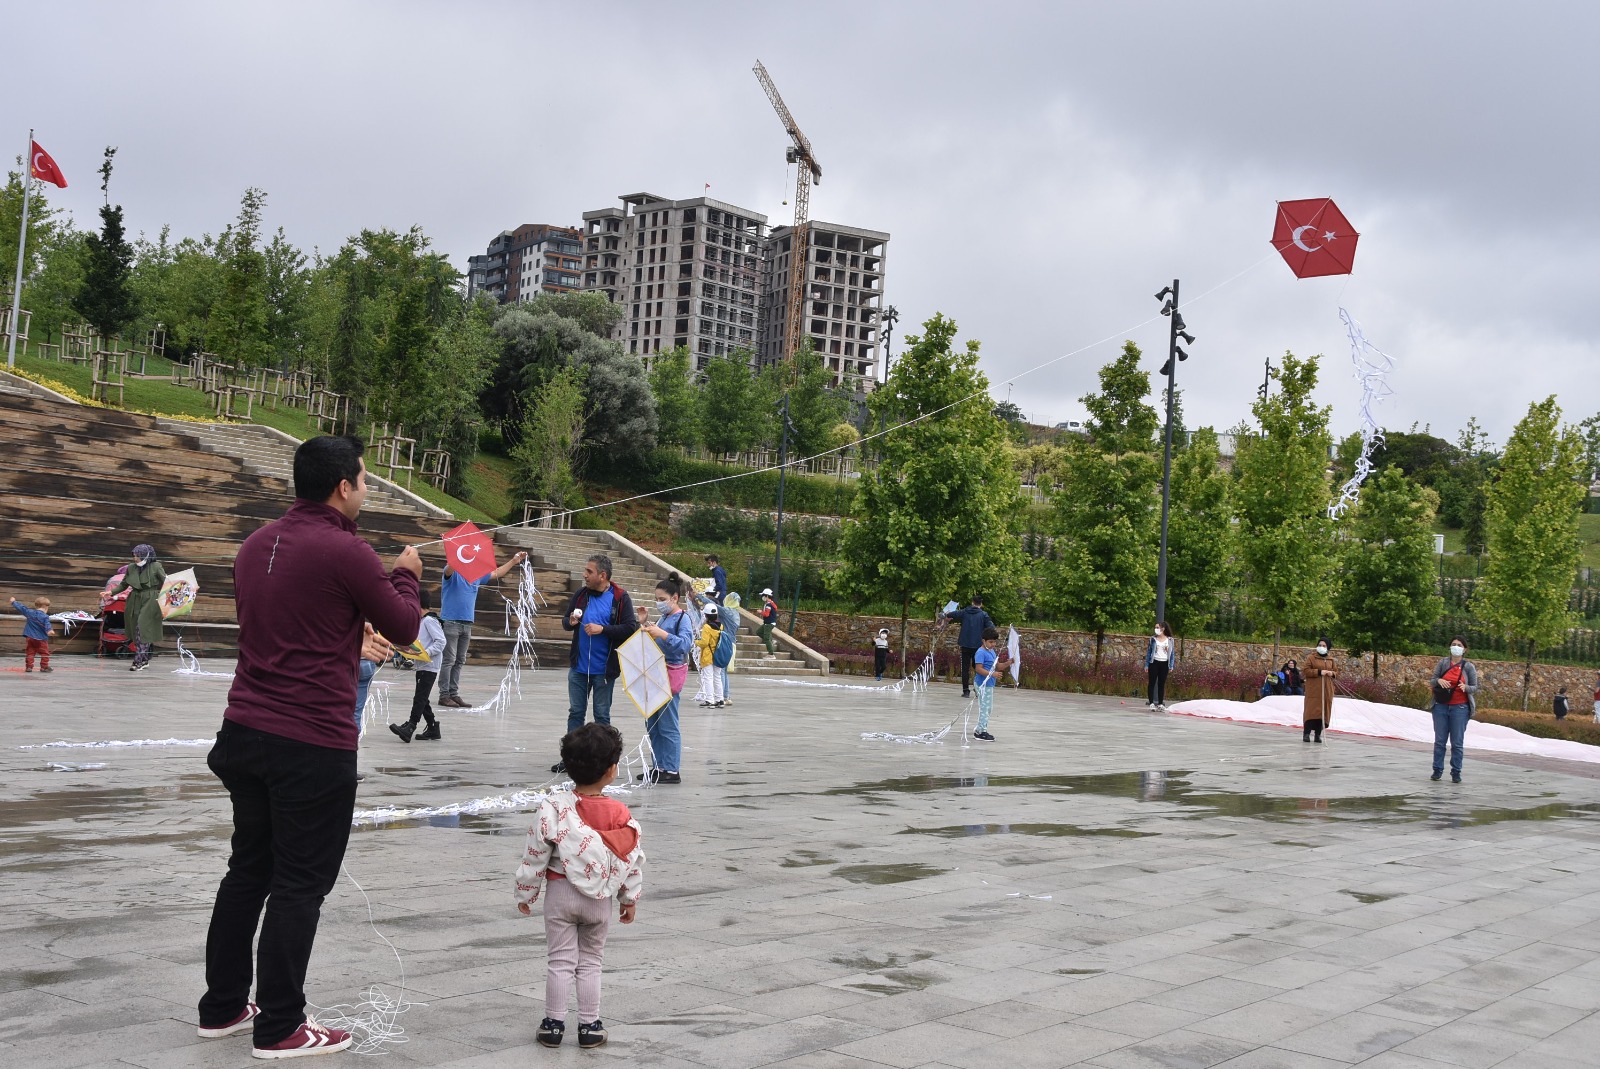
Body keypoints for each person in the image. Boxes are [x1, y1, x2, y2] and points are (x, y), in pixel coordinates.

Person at [196, 435, 422, 1058]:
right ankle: (280, 1025)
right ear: (343, 487)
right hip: (310, 742)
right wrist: (406, 577)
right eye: (366, 481)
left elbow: (291, 627)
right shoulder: (347, 551)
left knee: (248, 869)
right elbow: (404, 627)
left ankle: (221, 1008)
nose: (367, 491)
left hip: (244, 730)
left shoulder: (253, 545)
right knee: (299, 884)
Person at [516, 723, 644, 1051]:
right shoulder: (619, 812)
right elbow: (629, 856)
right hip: (599, 899)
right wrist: (629, 897)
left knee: (559, 960)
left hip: (560, 893)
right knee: (590, 961)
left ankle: (553, 1025)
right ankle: (589, 1026)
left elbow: (535, 854)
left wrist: (526, 892)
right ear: (612, 770)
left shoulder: (554, 806)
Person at [436, 549, 527, 708]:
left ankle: (453, 693)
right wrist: (458, 555)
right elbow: (449, 568)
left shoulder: (475, 576)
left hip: (467, 624)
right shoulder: (452, 573)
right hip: (451, 622)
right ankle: (444, 695)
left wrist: (513, 561)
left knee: (459, 660)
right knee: (449, 660)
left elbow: (496, 573)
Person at [560, 555, 638, 738]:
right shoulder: (581, 594)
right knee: (576, 713)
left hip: (604, 670)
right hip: (579, 669)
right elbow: (565, 622)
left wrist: (602, 629)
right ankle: (572, 756)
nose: (584, 575)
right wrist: (570, 622)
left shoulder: (619, 597)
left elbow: (629, 628)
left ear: (602, 575)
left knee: (602, 716)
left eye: (589, 571)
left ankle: (602, 759)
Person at [638, 574, 694, 784]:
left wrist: (662, 634)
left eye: (662, 599)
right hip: (654, 675)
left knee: (668, 725)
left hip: (669, 676)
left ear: (675, 598)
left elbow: (685, 645)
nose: (658, 603)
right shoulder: (664, 618)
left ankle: (671, 769)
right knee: (653, 724)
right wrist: (645, 624)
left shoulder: (682, 618)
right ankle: (658, 766)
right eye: (657, 599)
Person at [390, 591, 447, 743]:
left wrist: (425, 653)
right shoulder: (422, 621)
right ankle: (433, 727)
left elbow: (441, 642)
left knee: (420, 698)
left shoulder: (429, 621)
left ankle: (411, 726)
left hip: (429, 665)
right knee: (423, 698)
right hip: (422, 665)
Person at [107, 544, 167, 672]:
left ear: (145, 555)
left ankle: (138, 660)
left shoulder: (156, 566)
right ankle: (145, 660)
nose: (135, 558)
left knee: (142, 627)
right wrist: (111, 593)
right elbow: (123, 584)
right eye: (134, 555)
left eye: (137, 556)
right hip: (134, 599)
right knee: (135, 629)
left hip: (150, 599)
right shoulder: (131, 568)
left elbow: (167, 582)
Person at [1430, 637, 1479, 783]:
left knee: (1457, 743)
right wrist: (1439, 680)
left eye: (1459, 645)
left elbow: (1476, 687)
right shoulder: (1443, 663)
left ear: (1464, 649)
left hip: (1460, 707)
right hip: (1441, 706)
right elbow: (1432, 680)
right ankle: (1437, 770)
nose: (1455, 647)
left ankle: (1456, 772)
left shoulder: (1468, 667)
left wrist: (1466, 688)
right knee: (1440, 741)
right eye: (1453, 645)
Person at [945, 595, 995, 698]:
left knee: (965, 668)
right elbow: (991, 627)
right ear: (980, 604)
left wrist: (945, 614)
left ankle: (966, 691)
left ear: (972, 602)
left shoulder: (964, 612)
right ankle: (978, 689)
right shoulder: (983, 615)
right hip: (977, 646)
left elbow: (951, 614)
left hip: (965, 644)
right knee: (978, 668)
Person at [972, 626, 1011, 742]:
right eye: (990, 642)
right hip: (982, 684)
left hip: (989, 684)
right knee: (985, 708)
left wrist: (1009, 662)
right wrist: (992, 674)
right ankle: (981, 732)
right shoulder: (980, 652)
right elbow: (978, 669)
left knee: (988, 708)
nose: (993, 644)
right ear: (983, 641)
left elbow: (998, 666)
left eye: (995, 642)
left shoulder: (992, 651)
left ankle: (980, 729)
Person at [1303, 637, 1336, 743]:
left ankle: (1318, 734)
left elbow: (1336, 672)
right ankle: (1306, 734)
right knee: (1311, 711)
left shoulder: (1331, 660)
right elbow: (1306, 671)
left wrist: (1332, 673)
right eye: (1320, 645)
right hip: (1314, 690)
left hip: (1326, 690)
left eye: (1324, 646)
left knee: (1323, 713)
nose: (1321, 647)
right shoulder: (1311, 658)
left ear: (1328, 648)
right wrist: (1318, 672)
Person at [11, 595, 54, 673]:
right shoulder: (45, 617)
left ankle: (29, 667)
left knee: (30, 652)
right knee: (45, 653)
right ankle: (44, 667)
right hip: (41, 639)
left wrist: (14, 602)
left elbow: (21, 608)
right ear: (46, 607)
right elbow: (47, 625)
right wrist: (49, 630)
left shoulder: (29, 612)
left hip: (30, 637)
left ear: (36, 606)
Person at [694, 604, 725, 707]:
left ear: (706, 616)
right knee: (717, 677)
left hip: (708, 656)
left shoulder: (707, 627)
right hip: (718, 654)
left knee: (708, 678)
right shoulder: (720, 626)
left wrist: (696, 642)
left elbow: (704, 643)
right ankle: (720, 699)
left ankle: (709, 700)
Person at [1143, 622, 1175, 709]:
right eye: (1155, 627)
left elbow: (1172, 654)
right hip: (1154, 662)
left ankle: (1161, 703)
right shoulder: (1153, 639)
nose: (1156, 629)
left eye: (1157, 627)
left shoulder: (1170, 640)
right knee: (1152, 683)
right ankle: (1151, 703)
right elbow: (1149, 652)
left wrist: (1171, 665)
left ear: (1163, 628)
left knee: (1161, 684)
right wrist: (1147, 665)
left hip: (1164, 663)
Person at [757, 587, 779, 654]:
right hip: (768, 623)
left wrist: (760, 612)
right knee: (758, 632)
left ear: (766, 596)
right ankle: (771, 640)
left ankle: (771, 654)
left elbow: (766, 614)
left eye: (763, 595)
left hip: (769, 623)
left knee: (766, 638)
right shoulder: (771, 603)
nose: (762, 597)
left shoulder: (768, 605)